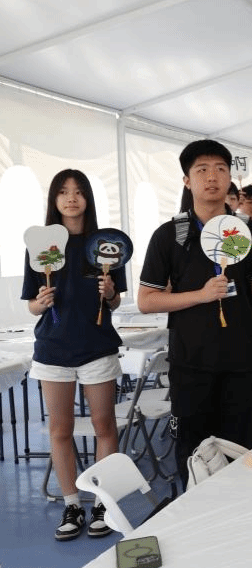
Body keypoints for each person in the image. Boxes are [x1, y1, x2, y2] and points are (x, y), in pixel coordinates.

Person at [138, 139, 252, 487]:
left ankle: (238, 514)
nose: (212, 177)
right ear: (187, 181)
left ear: (230, 178)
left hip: (241, 363)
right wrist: (200, 296)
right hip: (190, 364)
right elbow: (147, 300)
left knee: (239, 451)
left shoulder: (249, 232)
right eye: (202, 170)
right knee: (191, 452)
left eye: (220, 169)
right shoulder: (170, 235)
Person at [23, 169, 126, 541]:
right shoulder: (40, 245)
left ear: (88, 199)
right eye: (63, 192)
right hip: (52, 350)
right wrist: (40, 302)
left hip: (97, 348)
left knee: (104, 426)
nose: (71, 198)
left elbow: (115, 301)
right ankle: (72, 505)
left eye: (79, 191)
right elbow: (32, 305)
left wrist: (110, 292)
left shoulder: (105, 244)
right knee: (60, 430)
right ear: (54, 199)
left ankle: (102, 503)